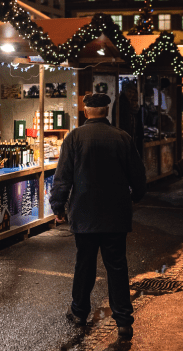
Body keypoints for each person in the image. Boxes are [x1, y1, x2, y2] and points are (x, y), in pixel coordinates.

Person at [50, 93, 146, 343]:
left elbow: (63, 177)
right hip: (115, 214)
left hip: (85, 214)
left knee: (85, 264)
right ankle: (124, 321)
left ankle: (79, 312)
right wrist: (136, 195)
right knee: (117, 266)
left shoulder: (74, 138)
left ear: (85, 111)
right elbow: (138, 174)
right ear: (107, 111)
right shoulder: (122, 138)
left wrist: (58, 206)